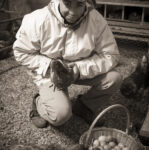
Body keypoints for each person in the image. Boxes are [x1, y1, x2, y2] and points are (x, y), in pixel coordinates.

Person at [13, 0, 122, 128]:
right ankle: (38, 101)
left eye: (79, 4)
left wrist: (79, 70)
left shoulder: (96, 20)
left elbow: (111, 55)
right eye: (68, 3)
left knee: (114, 79)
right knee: (61, 115)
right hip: (50, 73)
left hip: (80, 70)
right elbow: (21, 52)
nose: (72, 12)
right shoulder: (37, 19)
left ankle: (84, 106)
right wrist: (50, 66)